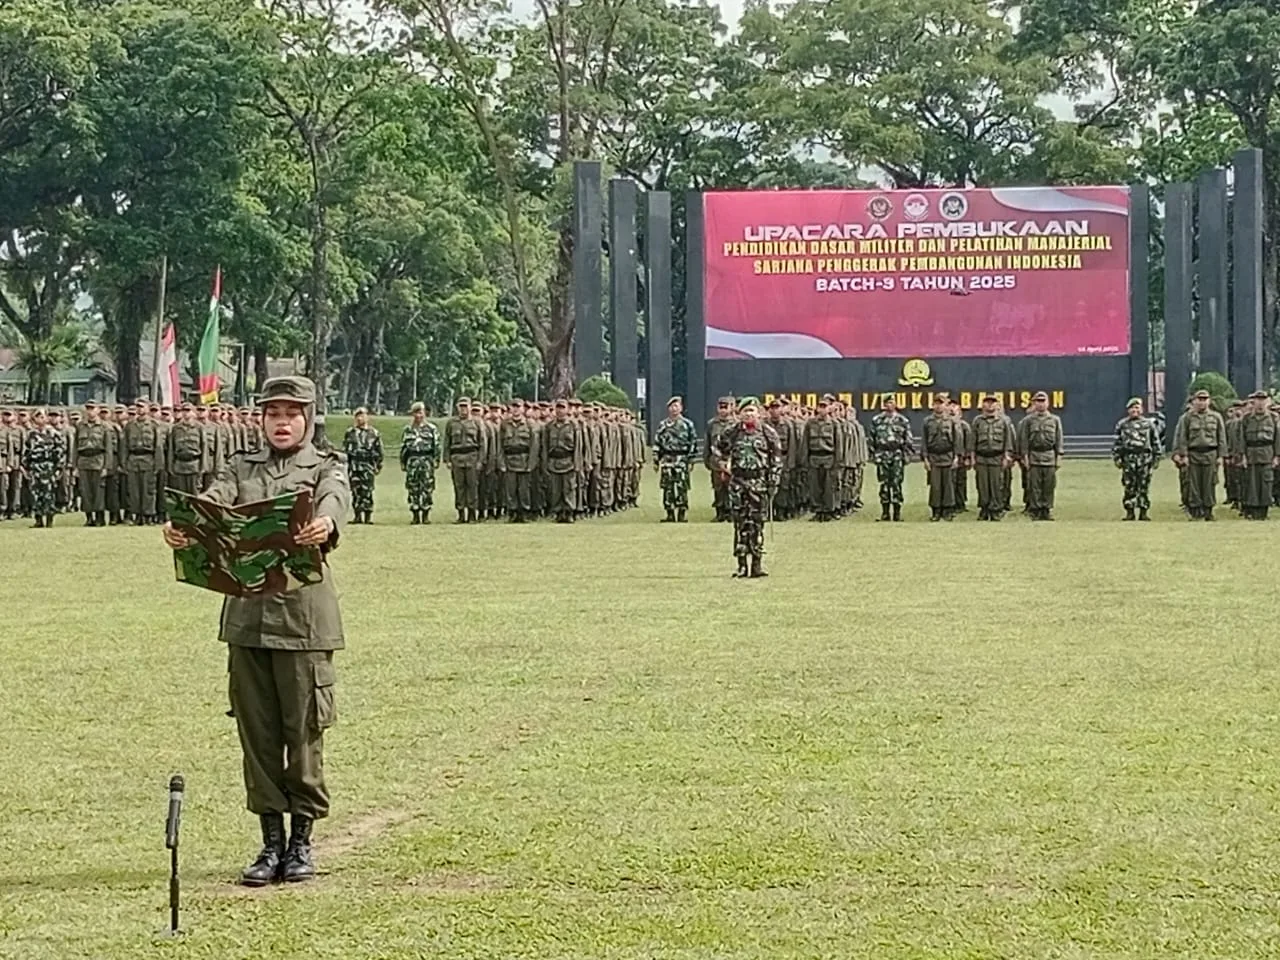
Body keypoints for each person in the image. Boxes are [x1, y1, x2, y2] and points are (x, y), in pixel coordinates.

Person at [162, 376, 350, 887]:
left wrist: (326, 525)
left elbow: (335, 499)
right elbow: (215, 499)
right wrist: (185, 525)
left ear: (309, 418)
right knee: (258, 737)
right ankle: (270, 844)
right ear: (261, 419)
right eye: (273, 413)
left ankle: (302, 843)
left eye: (292, 412)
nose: (282, 421)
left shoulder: (326, 466)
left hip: (303, 621)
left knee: (303, 733)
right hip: (247, 621)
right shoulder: (240, 467)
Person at [714, 397, 781, 578]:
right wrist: (723, 464)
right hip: (738, 483)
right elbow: (718, 450)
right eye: (745, 411)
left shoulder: (768, 433)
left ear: (759, 413)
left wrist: (773, 481)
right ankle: (742, 565)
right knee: (740, 524)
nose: (749, 414)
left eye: (752, 410)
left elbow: (776, 458)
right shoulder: (732, 433)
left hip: (759, 484)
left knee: (758, 524)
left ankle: (757, 564)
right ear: (740, 413)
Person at [1173, 389, 1227, 520]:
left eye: (1205, 399)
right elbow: (1182, 437)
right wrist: (1183, 455)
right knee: (1194, 483)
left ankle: (1208, 510)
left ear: (1209, 401)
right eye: (1199, 399)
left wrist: (1221, 456)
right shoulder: (1187, 418)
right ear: (1194, 401)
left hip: (1211, 453)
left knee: (1210, 483)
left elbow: (1221, 437)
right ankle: (1196, 510)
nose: (1202, 402)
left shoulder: (1216, 417)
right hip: (1193, 453)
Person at [1016, 391, 1064, 520]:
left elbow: (1058, 440)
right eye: (1038, 401)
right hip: (1034, 456)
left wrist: (1058, 457)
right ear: (1034, 403)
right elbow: (1024, 440)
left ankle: (1046, 509)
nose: (1041, 404)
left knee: (1048, 485)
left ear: (1048, 403)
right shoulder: (1028, 420)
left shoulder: (1054, 420)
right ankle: (1036, 510)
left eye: (1043, 401)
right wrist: (1025, 456)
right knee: (1034, 485)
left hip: (1049, 456)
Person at [1232, 390, 1280, 520]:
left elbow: (1277, 438)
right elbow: (1241, 438)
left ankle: (1263, 511)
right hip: (1251, 453)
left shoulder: (1273, 418)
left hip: (1267, 453)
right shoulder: (1246, 419)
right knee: (1251, 483)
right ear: (1254, 402)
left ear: (1267, 402)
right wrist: (1242, 455)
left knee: (1266, 483)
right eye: (1258, 400)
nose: (1260, 403)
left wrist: (1277, 456)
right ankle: (1252, 511)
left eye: (1263, 400)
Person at [1112, 397, 1160, 521]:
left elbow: (1155, 441)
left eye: (1137, 407)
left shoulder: (1149, 424)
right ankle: (1130, 512)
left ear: (1141, 409)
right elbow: (1117, 443)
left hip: (1145, 458)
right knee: (1129, 486)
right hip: (1129, 458)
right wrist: (1117, 458)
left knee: (1144, 485)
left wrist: (1156, 458)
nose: (1134, 410)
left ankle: (1143, 511)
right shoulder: (1122, 424)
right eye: (1132, 408)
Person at [868, 395, 914, 521]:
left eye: (891, 402)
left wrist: (906, 455)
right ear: (883, 404)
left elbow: (908, 439)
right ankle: (885, 512)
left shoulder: (902, 420)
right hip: (882, 455)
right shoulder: (877, 420)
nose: (889, 405)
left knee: (896, 483)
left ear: (895, 404)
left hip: (897, 455)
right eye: (887, 402)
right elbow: (872, 439)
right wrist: (872, 454)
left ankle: (897, 513)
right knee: (884, 484)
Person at [968, 394, 1015, 520]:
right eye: (987, 402)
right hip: (981, 458)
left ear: (997, 405)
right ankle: (984, 509)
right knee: (982, 485)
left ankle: (996, 510)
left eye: (992, 402)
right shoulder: (977, 421)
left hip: (997, 457)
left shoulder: (1003, 421)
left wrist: (1006, 457)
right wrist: (972, 457)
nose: (990, 405)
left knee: (996, 484)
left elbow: (1008, 441)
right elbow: (973, 441)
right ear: (982, 405)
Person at [654, 396, 698, 522]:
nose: (674, 409)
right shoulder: (663, 425)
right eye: (672, 406)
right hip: (667, 458)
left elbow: (693, 442)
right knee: (667, 487)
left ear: (681, 408)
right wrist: (656, 459)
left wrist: (691, 459)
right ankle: (669, 513)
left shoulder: (687, 424)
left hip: (682, 458)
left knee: (682, 486)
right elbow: (658, 442)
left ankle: (682, 513)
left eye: (676, 406)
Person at [22, 407, 65, 528]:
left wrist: (59, 468)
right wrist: (25, 468)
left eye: (42, 415)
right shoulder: (31, 434)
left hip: (49, 467)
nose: (41, 418)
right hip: (35, 467)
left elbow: (60, 451)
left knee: (49, 493)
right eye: (38, 416)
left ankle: (50, 519)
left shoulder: (54, 433)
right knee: (36, 494)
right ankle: (38, 519)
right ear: (34, 418)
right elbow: (26, 452)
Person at [73, 401, 114, 526]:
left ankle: (100, 517)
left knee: (98, 491)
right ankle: (89, 517)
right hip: (83, 461)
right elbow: (75, 447)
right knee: (85, 491)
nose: (90, 411)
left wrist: (107, 466)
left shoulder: (104, 427)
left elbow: (108, 448)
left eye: (92, 408)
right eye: (88, 409)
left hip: (98, 460)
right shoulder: (80, 426)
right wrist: (74, 466)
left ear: (97, 410)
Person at [444, 398, 485, 523]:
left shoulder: (477, 422)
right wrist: (447, 459)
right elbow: (447, 442)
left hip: (472, 457)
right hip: (457, 458)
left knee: (472, 486)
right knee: (459, 487)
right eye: (461, 406)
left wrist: (480, 460)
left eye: (465, 406)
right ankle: (461, 513)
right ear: (457, 407)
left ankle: (472, 514)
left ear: (470, 407)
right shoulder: (451, 423)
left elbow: (482, 442)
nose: (463, 409)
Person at [400, 402, 441, 524]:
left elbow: (437, 446)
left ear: (424, 413)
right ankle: (415, 514)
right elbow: (404, 448)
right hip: (412, 461)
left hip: (426, 460)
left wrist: (436, 460)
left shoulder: (432, 429)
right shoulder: (408, 430)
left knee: (427, 488)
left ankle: (426, 514)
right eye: (416, 413)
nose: (418, 415)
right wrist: (403, 462)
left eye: (420, 412)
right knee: (413, 488)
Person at [921, 394, 959, 521]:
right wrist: (925, 459)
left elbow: (956, 440)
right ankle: (936, 511)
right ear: (933, 405)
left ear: (945, 405)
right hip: (933, 457)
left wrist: (956, 457)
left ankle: (947, 511)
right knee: (935, 485)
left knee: (948, 485)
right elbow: (924, 442)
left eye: (941, 403)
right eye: (936, 403)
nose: (938, 406)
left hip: (948, 456)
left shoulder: (951, 421)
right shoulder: (927, 421)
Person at [343, 408, 383, 524]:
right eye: (358, 416)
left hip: (367, 465)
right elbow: (345, 449)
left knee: (367, 491)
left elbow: (379, 450)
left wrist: (378, 465)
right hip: (354, 465)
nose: (360, 418)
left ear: (367, 417)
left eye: (362, 415)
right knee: (356, 491)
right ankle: (357, 516)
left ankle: (368, 516)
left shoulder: (374, 433)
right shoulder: (350, 433)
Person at [704, 397, 736, 521]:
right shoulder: (712, 424)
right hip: (716, 461)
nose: (723, 411)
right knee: (718, 487)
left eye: (725, 407)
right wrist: (707, 459)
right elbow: (708, 443)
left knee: (731, 487)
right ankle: (720, 512)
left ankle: (731, 512)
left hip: (731, 461)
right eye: (721, 408)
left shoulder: (736, 423)